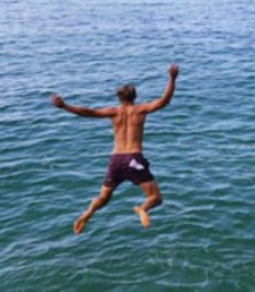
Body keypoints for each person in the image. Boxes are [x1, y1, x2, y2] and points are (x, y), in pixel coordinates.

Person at [50, 64, 179, 233]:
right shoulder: (140, 110)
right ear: (135, 97)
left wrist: (65, 106)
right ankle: (142, 209)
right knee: (155, 197)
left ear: (119, 98)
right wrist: (172, 78)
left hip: (116, 160)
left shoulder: (113, 112)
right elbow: (164, 101)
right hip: (134, 158)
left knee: (103, 197)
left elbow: (88, 112)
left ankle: (88, 212)